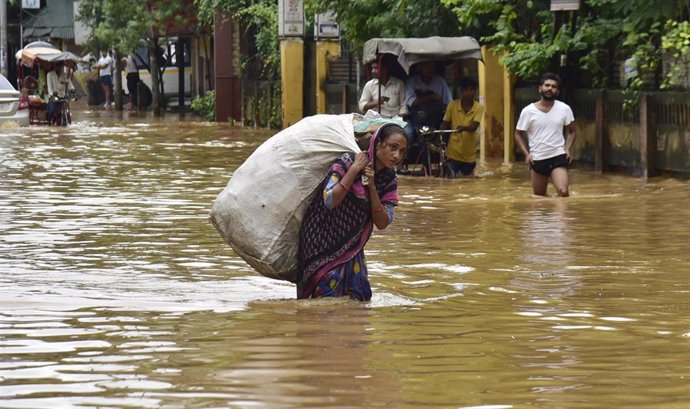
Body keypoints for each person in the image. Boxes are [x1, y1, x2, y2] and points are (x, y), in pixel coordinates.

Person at [297, 123, 408, 301]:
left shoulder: (388, 179)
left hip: (351, 246)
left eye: (402, 151)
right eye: (393, 148)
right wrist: (355, 169)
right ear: (378, 143)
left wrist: (371, 185)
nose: (397, 156)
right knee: (325, 300)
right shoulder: (349, 160)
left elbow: (382, 222)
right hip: (320, 240)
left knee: (359, 299)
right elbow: (330, 200)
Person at [514, 72, 577, 197]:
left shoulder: (564, 109)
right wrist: (527, 155)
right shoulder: (528, 111)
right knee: (540, 198)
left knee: (563, 192)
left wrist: (567, 149)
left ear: (557, 91)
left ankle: (561, 216)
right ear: (540, 88)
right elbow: (517, 134)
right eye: (547, 85)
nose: (550, 88)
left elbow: (573, 131)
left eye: (554, 86)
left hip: (558, 156)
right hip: (537, 159)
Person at [440, 77, 484, 177]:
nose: (469, 93)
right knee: (452, 177)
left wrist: (463, 128)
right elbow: (445, 123)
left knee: (467, 180)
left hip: (469, 154)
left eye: (471, 90)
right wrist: (439, 135)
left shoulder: (479, 107)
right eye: (466, 90)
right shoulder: (452, 105)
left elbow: (474, 126)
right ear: (461, 91)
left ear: (475, 91)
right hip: (453, 152)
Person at [404, 61, 452, 145]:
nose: (430, 69)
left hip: (435, 120)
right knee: (408, 135)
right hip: (415, 119)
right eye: (427, 66)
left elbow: (448, 103)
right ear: (420, 67)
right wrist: (432, 97)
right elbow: (412, 102)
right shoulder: (412, 82)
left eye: (431, 66)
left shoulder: (440, 81)